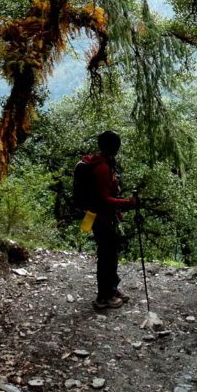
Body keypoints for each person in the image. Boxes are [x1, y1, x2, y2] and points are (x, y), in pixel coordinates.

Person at [80, 130, 139, 310]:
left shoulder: (103, 163)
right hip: (101, 218)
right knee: (106, 256)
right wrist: (128, 203)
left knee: (111, 255)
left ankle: (112, 290)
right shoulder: (102, 168)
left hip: (101, 216)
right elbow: (104, 199)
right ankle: (103, 296)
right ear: (115, 147)